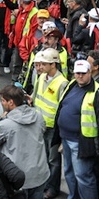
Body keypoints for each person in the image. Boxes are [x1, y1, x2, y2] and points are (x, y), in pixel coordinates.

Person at [0, 85, 49, 199]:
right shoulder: (38, 116)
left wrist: (1, 119)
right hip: (39, 174)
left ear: (11, 102)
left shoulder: (5, 124)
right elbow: (43, 130)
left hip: (17, 178)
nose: (2, 104)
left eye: (3, 101)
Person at [53, 59, 99, 198]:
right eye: (77, 73)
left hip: (82, 142)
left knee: (83, 176)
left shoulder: (96, 92)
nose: (79, 76)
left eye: (83, 73)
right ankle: (73, 196)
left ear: (90, 72)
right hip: (66, 138)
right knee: (69, 172)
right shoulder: (72, 84)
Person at [31, 48, 69, 199]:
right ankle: (45, 184)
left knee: (53, 159)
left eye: (45, 63)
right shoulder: (42, 77)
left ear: (53, 64)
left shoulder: (62, 83)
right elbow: (36, 97)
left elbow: (63, 109)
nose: (41, 66)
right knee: (44, 156)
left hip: (53, 128)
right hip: (40, 124)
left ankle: (53, 188)